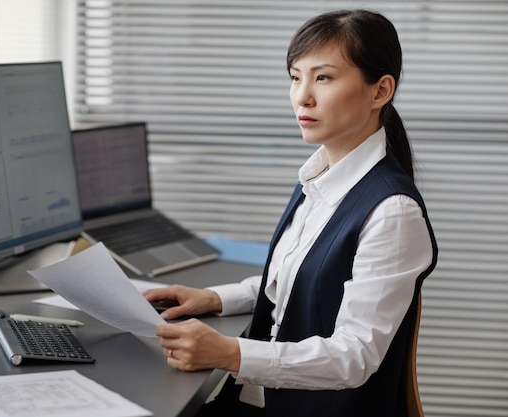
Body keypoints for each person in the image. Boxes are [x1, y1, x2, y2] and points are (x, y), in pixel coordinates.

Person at [143, 9, 438, 417]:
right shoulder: (319, 177)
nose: (303, 96)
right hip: (259, 397)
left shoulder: (392, 213)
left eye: (323, 77)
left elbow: (354, 356)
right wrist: (215, 298)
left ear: (379, 91)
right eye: (295, 77)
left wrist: (230, 352)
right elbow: (302, 279)